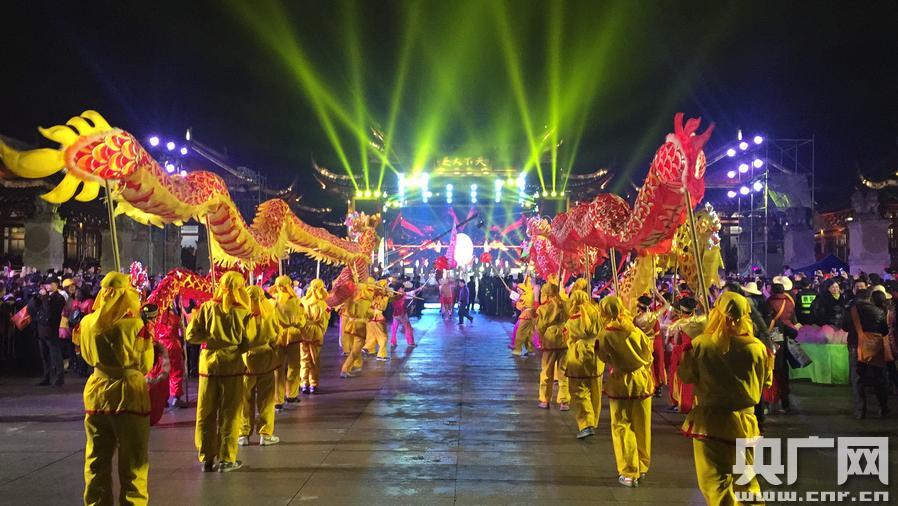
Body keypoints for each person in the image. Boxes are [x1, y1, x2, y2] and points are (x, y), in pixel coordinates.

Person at [678, 292, 773, 504]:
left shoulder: (700, 345)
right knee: (746, 482)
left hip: (711, 423)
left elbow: (686, 375)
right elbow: (766, 382)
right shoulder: (758, 348)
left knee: (715, 483)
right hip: (744, 423)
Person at [78, 272, 152, 505]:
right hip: (128, 394)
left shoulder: (86, 323)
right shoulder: (134, 325)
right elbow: (145, 364)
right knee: (133, 461)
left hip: (97, 393)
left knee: (96, 458)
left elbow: (83, 354)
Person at [186, 271, 257, 472]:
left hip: (208, 364)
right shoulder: (243, 313)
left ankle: (206, 457)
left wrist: (210, 340)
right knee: (231, 411)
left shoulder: (206, 307)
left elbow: (191, 335)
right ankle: (227, 458)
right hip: (231, 365)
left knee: (205, 411)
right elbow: (248, 342)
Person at [596, 296, 654, 488]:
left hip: (621, 381)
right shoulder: (635, 330)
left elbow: (603, 356)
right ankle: (642, 466)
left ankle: (629, 471)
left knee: (622, 425)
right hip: (641, 380)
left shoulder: (605, 335)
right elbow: (648, 354)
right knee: (642, 424)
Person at [239, 286, 281, 447]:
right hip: (265, 358)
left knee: (244, 398)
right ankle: (265, 433)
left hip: (246, 360)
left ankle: (243, 434)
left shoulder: (241, 313)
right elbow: (275, 336)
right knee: (266, 399)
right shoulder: (269, 312)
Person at [844, 288, 891, 419]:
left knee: (857, 379)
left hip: (856, 347)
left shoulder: (851, 311)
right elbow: (884, 331)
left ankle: (860, 410)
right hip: (875, 348)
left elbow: (844, 327)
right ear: (869, 298)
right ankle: (883, 407)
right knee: (879, 377)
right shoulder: (878, 311)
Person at [564, 289, 604, 439]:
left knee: (579, 390)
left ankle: (586, 423)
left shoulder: (572, 320)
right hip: (596, 355)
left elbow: (566, 338)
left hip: (578, 356)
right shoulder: (597, 314)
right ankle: (594, 421)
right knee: (596, 390)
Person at [271, 275, 305, 407]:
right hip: (293, 335)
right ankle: (291, 394)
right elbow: (301, 321)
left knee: (278, 368)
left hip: (278, 336)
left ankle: (278, 399)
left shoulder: (272, 302)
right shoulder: (296, 302)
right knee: (294, 366)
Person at [666, 297, 704, 413]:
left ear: (682, 311)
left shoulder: (679, 324)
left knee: (682, 380)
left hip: (684, 353)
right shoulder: (702, 321)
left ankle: (682, 403)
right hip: (698, 352)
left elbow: (676, 341)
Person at [535, 281, 569, 410]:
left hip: (550, 341)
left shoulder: (543, 308)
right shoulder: (564, 304)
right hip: (564, 340)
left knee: (547, 372)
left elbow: (540, 327)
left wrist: (541, 340)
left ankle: (545, 399)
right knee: (563, 372)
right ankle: (564, 401)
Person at [28, 276, 67, 386]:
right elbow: (32, 309)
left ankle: (60, 378)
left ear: (56, 284)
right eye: (46, 284)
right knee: (44, 356)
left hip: (51, 330)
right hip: (41, 330)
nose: (47, 286)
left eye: (50, 284)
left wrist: (45, 298)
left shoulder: (59, 298)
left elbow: (49, 312)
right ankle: (46, 377)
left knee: (55, 355)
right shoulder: (45, 296)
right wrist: (36, 298)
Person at [768, 276, 798, 413]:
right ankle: (786, 402)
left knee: (775, 366)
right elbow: (793, 318)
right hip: (787, 333)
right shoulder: (790, 302)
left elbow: (768, 319)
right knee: (783, 367)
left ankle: (772, 400)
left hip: (775, 333)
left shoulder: (770, 302)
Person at [633, 294, 667, 397]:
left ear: (639, 307)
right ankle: (659, 386)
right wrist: (657, 293)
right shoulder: (654, 315)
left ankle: (650, 385)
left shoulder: (636, 319)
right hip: (656, 342)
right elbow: (666, 305)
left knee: (648, 366)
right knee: (658, 364)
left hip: (644, 343)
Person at [299, 279, 329, 392]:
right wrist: (321, 330)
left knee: (304, 358)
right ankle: (313, 383)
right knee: (314, 359)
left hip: (304, 332)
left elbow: (299, 317)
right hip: (316, 333)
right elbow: (324, 321)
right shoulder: (323, 304)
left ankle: (304, 382)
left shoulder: (303, 301)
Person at [154, 308, 187, 408]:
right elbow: (182, 335)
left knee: (163, 373)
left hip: (161, 348)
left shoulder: (156, 320)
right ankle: (176, 398)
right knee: (176, 373)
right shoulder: (176, 319)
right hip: (174, 348)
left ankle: (163, 399)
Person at [340, 281, 373, 378]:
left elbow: (349, 313)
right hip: (360, 326)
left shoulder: (353, 300)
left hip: (350, 324)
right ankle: (345, 369)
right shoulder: (366, 301)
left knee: (353, 348)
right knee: (356, 349)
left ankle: (356, 365)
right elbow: (370, 315)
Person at [390, 281, 422, 348]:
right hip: (402, 314)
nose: (403, 289)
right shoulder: (400, 295)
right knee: (408, 328)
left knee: (394, 329)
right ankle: (410, 342)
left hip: (395, 314)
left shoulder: (396, 295)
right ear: (398, 289)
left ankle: (393, 342)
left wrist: (418, 289)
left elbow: (411, 293)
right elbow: (410, 294)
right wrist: (414, 294)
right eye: (402, 288)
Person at [511, 277, 536, 357]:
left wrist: (516, 302)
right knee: (529, 334)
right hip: (531, 316)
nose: (518, 291)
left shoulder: (524, 297)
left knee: (520, 333)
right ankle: (530, 350)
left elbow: (520, 307)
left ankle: (518, 350)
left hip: (525, 315)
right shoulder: (530, 293)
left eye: (519, 290)